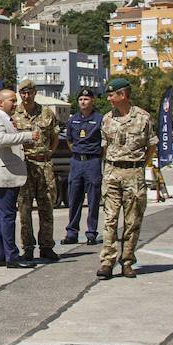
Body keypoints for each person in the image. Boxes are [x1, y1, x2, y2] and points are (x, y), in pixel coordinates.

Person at [97, 77, 156, 280]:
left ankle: (128, 261)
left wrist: (138, 165)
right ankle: (107, 262)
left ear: (123, 95)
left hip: (134, 174)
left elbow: (151, 146)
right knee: (109, 220)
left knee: (132, 221)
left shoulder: (143, 117)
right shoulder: (106, 119)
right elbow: (104, 148)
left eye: (112, 95)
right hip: (112, 173)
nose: (110, 99)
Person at [0, 88, 39, 269]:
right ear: (0, 103)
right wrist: (27, 136)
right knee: (8, 217)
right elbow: (1, 139)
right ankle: (12, 256)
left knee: (2, 216)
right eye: (12, 100)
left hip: (7, 175)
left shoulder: (6, 119)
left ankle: (0, 255)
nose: (15, 104)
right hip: (4, 175)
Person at [10, 79, 61, 262]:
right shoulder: (14, 115)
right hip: (25, 165)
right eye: (23, 93)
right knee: (24, 209)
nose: (26, 96)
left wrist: (49, 152)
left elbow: (55, 135)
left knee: (46, 207)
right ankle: (28, 247)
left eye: (29, 92)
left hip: (44, 165)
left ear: (35, 92)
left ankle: (46, 246)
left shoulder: (46, 112)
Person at [61, 87, 104, 246]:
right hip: (77, 161)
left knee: (93, 199)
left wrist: (96, 156)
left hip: (93, 161)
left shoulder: (100, 119)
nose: (83, 102)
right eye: (80, 99)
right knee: (74, 198)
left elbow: (104, 143)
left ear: (92, 101)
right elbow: (69, 141)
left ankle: (91, 232)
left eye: (86, 99)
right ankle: (71, 232)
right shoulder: (73, 120)